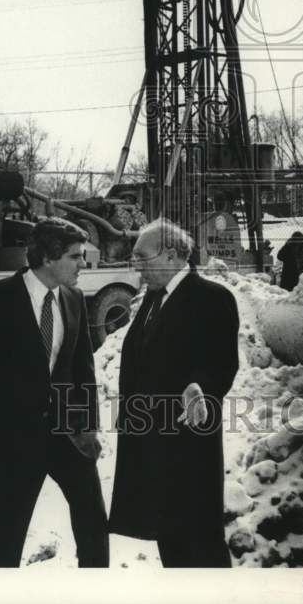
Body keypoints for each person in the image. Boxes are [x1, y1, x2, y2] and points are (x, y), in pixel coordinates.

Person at [0, 217, 109, 567]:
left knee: (93, 520)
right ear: (47, 257)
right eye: (75, 257)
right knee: (4, 533)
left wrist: (88, 426)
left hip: (67, 434)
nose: (82, 264)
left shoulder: (73, 299)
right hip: (15, 437)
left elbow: (82, 369)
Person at [108, 218, 239, 567]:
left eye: (141, 257)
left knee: (202, 540)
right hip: (153, 443)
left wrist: (202, 389)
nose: (135, 265)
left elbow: (222, 362)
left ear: (171, 255)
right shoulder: (153, 298)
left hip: (188, 443)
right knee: (170, 540)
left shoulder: (212, 297)